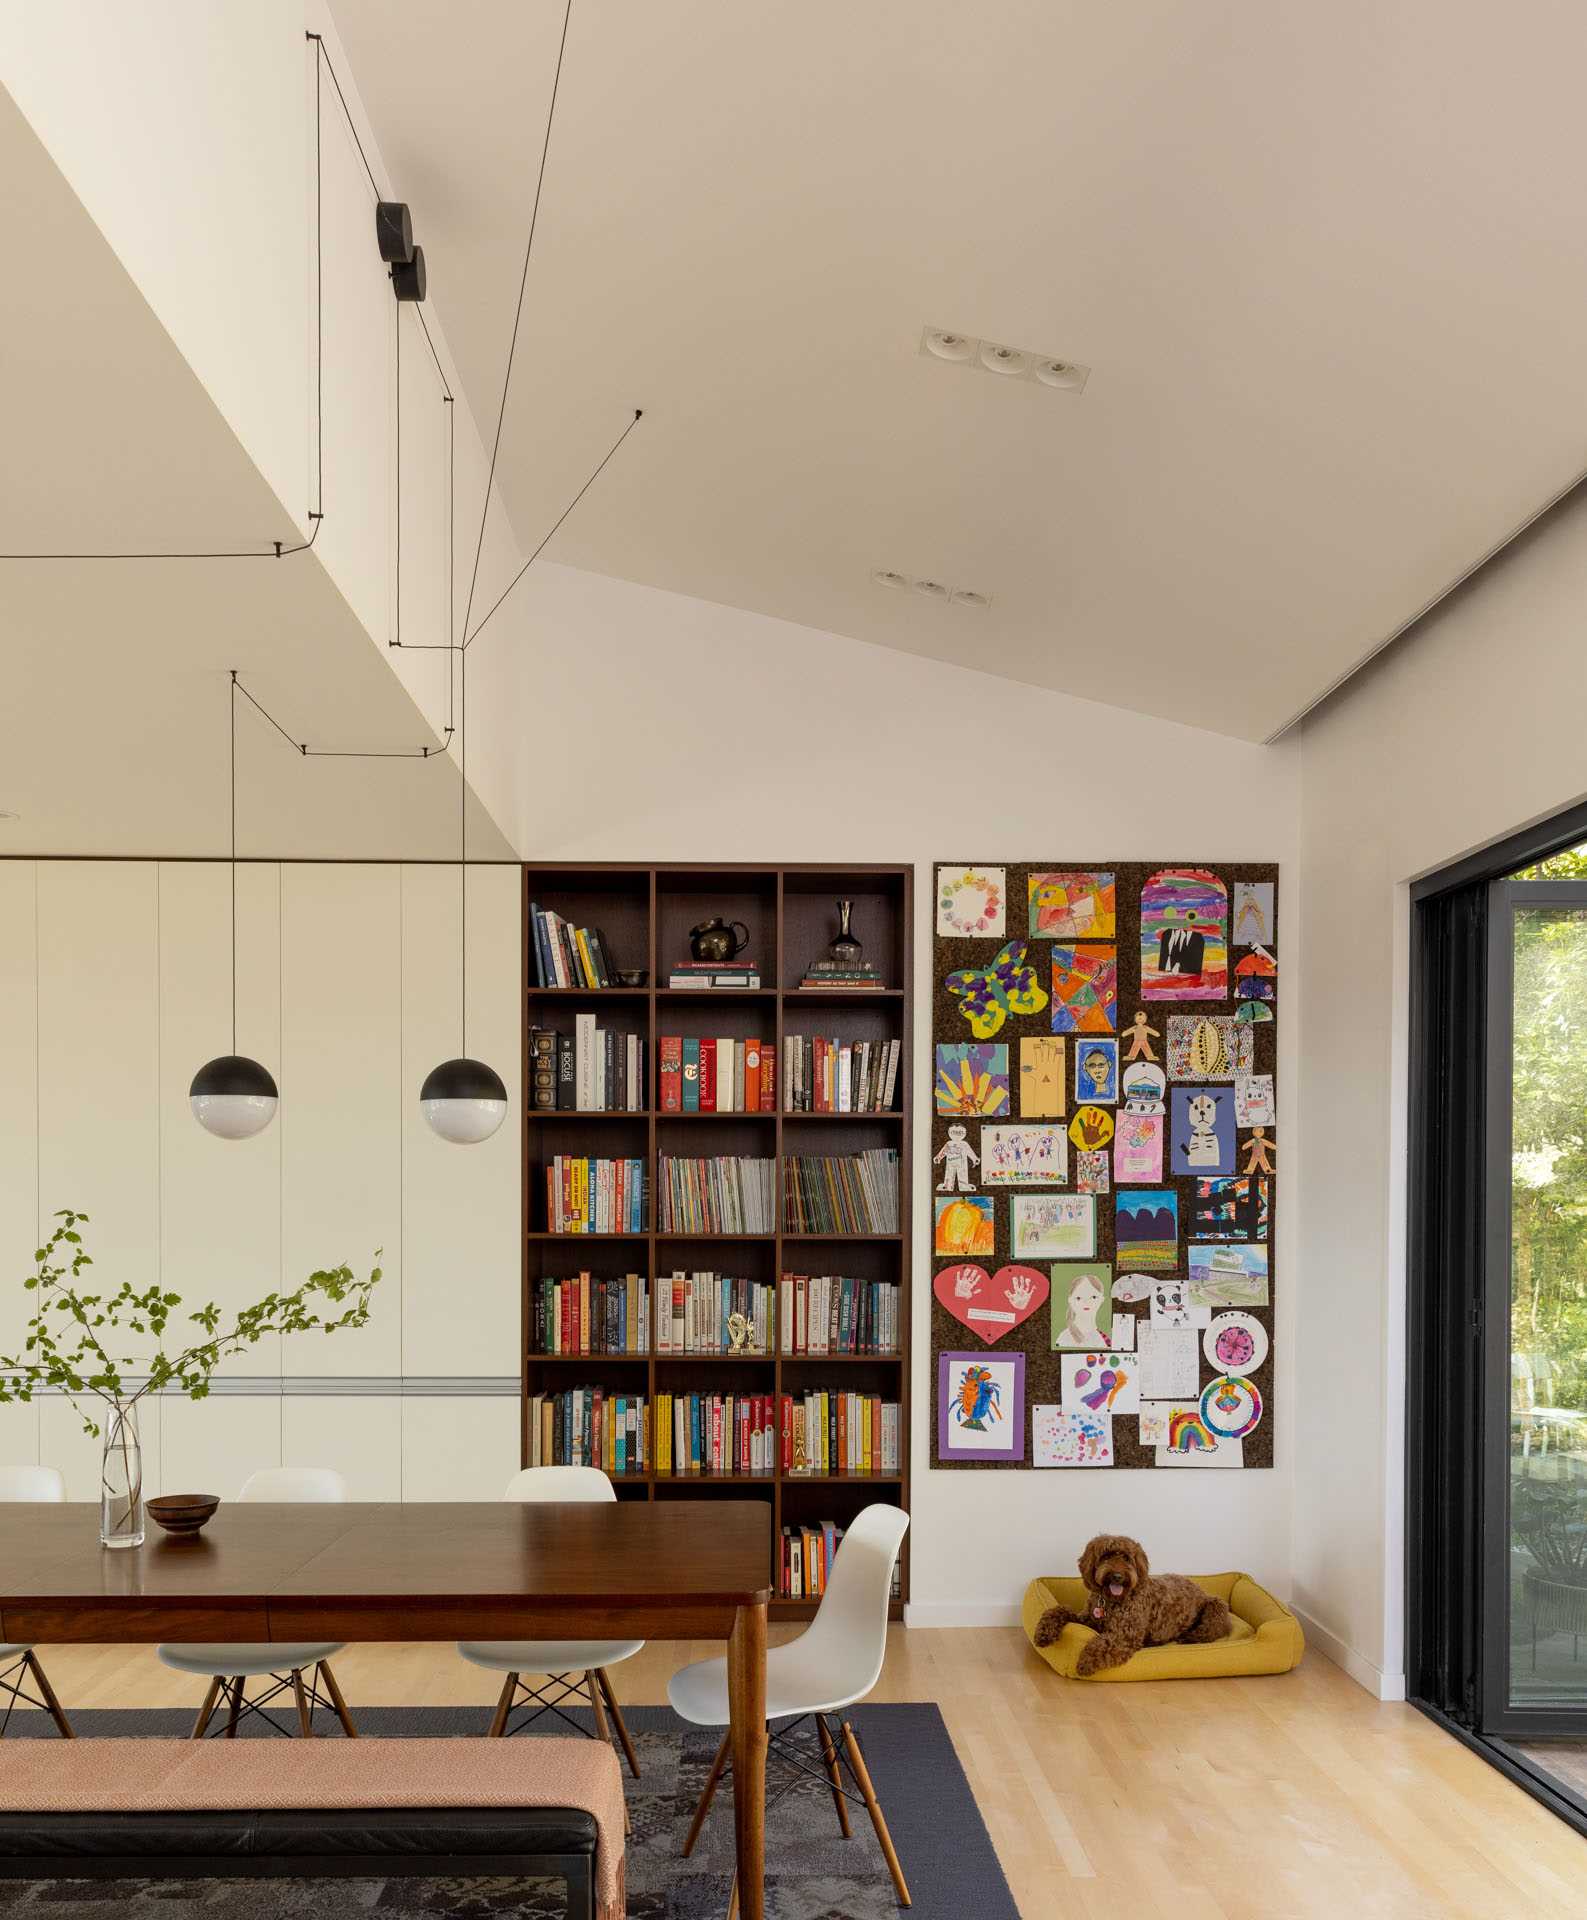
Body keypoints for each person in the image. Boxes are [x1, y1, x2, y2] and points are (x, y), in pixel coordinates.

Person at [934, 1123, 979, 1192]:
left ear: (964, 1133)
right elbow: (943, 1152)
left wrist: (974, 1158)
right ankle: (947, 1186)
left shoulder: (964, 1144)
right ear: (949, 1132)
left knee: (962, 1175)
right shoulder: (949, 1143)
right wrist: (938, 1157)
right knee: (949, 1174)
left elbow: (970, 1152)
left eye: (960, 1132)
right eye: (954, 1132)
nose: (957, 1134)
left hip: (962, 1163)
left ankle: (964, 1187)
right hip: (950, 1163)